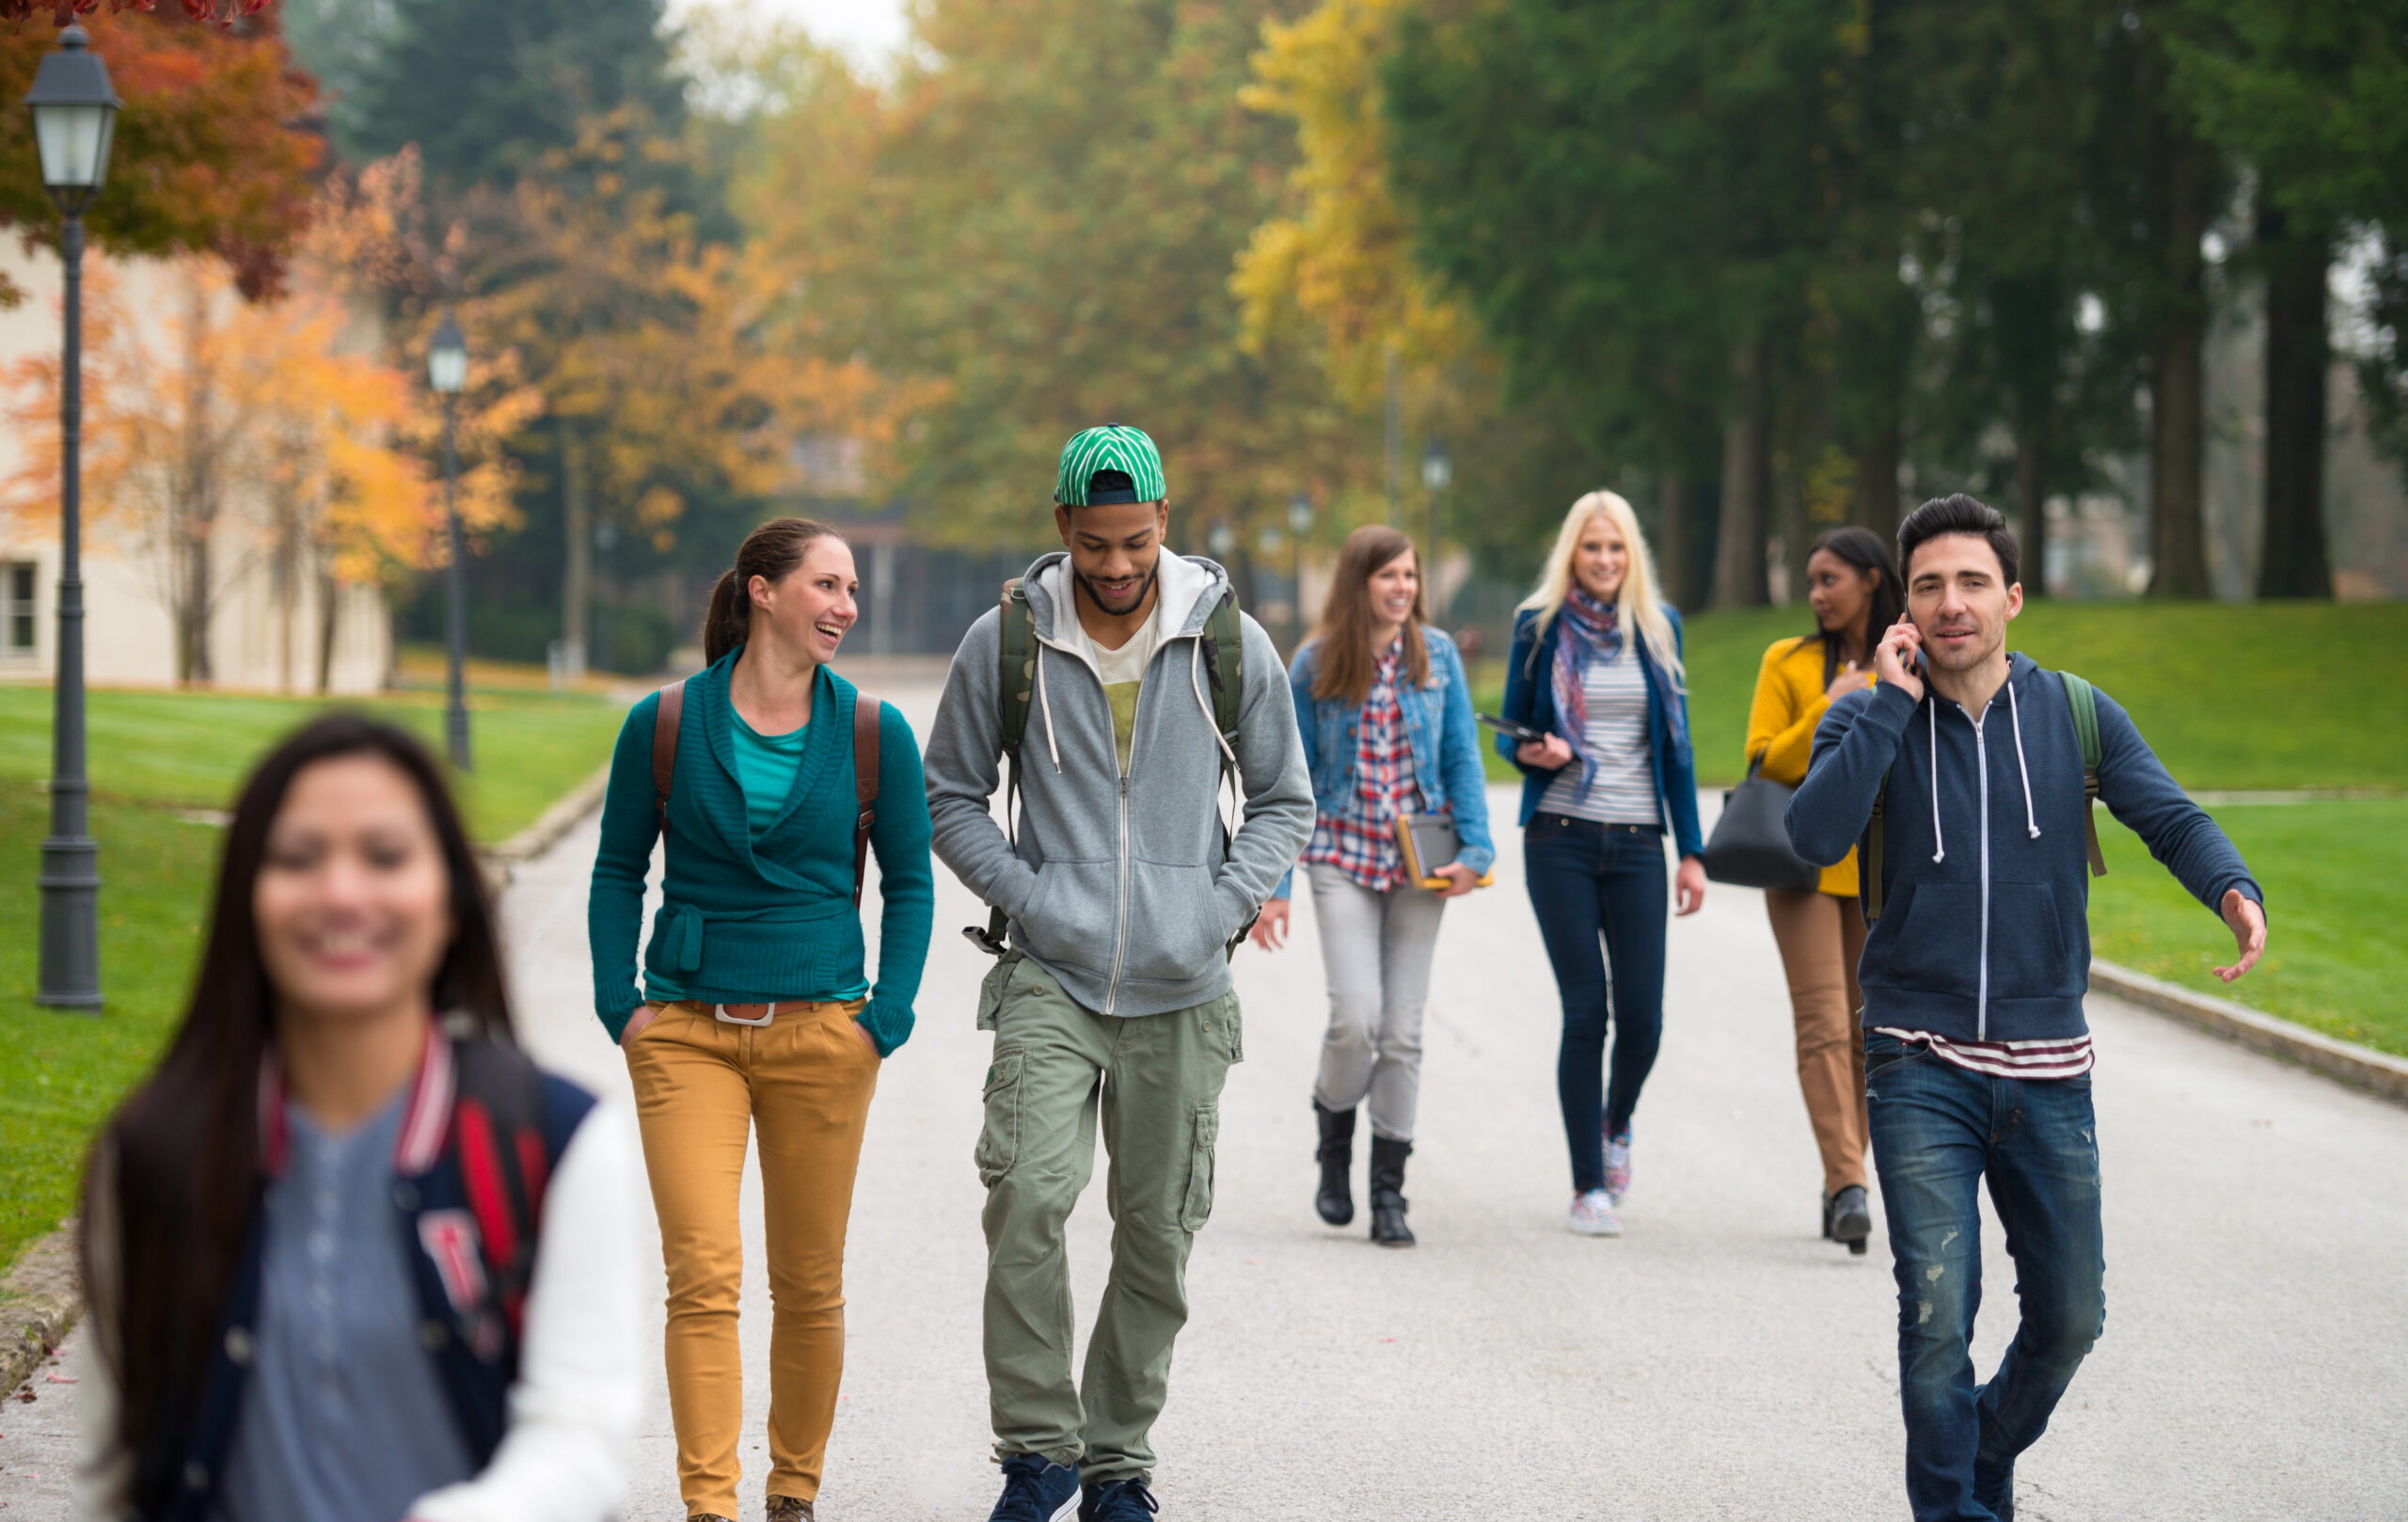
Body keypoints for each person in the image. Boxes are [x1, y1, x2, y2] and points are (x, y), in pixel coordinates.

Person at [1787, 494, 2268, 1522]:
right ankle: (1956, 1509)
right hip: (1917, 1064)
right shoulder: (1868, 709)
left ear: (2011, 596)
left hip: (2049, 1072)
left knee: (2070, 1318)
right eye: (1927, 585)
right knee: (1934, 1316)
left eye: (1970, 582)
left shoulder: (2074, 713)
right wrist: (1880, 700)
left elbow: (2167, 815)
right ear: (1901, 607)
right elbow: (1812, 835)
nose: (1950, 603)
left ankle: (1980, 1454)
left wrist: (2233, 888)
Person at [73, 714, 641, 1522]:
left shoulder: (555, 1140)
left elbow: (581, 1439)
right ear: (247, 900)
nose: (342, 894)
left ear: (449, 900)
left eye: (385, 857)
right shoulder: (150, 1154)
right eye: (298, 859)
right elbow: (113, 1475)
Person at [923, 424, 1313, 1522]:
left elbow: (1286, 797)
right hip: (1052, 972)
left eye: (1134, 542)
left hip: (1184, 986)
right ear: (1061, 528)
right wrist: (1034, 895)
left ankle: (1118, 1464)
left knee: (1156, 1229)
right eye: (1093, 544)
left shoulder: (1227, 637)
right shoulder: (1005, 641)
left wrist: (1220, 907)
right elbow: (948, 792)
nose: (1114, 567)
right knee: (1029, 1197)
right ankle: (1038, 1453)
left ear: (1163, 525)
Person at [588, 516, 935, 1522]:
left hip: (825, 1033)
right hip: (687, 1032)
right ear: (762, 590)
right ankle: (711, 1505)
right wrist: (624, 1005)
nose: (845, 607)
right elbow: (619, 867)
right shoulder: (663, 721)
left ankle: (792, 1489)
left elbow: (911, 883)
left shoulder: (872, 731)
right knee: (702, 1275)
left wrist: (886, 1017)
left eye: (853, 589)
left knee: (808, 1282)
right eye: (826, 585)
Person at [1248, 524, 1493, 1246]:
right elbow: (1282, 783)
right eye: (1389, 576)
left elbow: (1461, 759)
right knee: (1356, 1017)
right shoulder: (1317, 663)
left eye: (1411, 577)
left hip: (1422, 864)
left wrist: (1476, 850)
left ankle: (1389, 1191)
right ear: (1359, 582)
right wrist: (1276, 886)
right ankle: (1333, 1139)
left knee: (1403, 1030)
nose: (1402, 589)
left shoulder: (1438, 657)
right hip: (1341, 855)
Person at [1497, 489, 1705, 1238]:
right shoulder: (1539, 626)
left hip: (1641, 843)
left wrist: (1693, 855)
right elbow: (1509, 732)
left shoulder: (1657, 628)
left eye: (1617, 548)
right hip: (1561, 834)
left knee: (1643, 1018)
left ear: (1632, 555)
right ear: (1572, 555)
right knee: (1588, 1010)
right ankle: (1589, 1183)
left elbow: (1677, 752)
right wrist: (1533, 749)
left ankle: (1616, 1126)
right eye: (1592, 548)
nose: (1606, 561)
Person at [1743, 525, 1903, 1255]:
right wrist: (1833, 702)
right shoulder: (1786, 661)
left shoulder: (1907, 660)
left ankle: (1847, 1174)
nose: (1816, 594)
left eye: (1830, 579)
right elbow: (1765, 761)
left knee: (1872, 1029)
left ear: (1872, 579)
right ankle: (1848, 1183)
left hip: (1880, 868)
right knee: (1822, 1021)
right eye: (1811, 582)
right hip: (1801, 866)